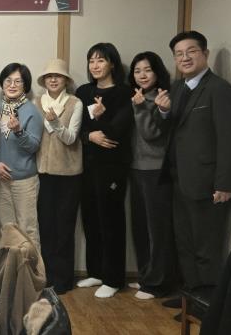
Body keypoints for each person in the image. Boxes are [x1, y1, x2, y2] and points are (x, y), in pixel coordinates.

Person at [158, 31, 231, 297]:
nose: (185, 58)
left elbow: (229, 140)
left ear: (205, 54)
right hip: (179, 178)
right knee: (185, 243)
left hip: (207, 183)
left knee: (206, 246)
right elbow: (170, 130)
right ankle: (189, 298)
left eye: (191, 51)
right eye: (179, 54)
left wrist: (224, 184)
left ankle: (206, 304)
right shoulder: (176, 88)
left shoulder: (220, 90)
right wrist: (163, 112)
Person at [75, 43, 133, 298]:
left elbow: (119, 130)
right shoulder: (84, 91)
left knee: (111, 220)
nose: (95, 65)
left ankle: (114, 278)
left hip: (113, 166)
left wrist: (100, 119)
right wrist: (90, 136)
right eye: (91, 61)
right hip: (86, 164)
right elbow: (77, 128)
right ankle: (96, 272)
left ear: (112, 63)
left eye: (101, 60)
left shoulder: (124, 92)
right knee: (90, 218)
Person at [127, 51, 175, 300]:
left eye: (147, 70)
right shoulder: (138, 96)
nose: (142, 75)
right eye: (137, 71)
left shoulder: (161, 98)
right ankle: (146, 275)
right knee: (141, 226)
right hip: (136, 168)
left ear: (157, 72)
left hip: (155, 170)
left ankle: (158, 283)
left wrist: (139, 108)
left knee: (157, 229)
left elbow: (151, 134)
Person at [35, 59, 83, 295]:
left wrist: (55, 122)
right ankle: (48, 276)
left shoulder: (74, 103)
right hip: (42, 172)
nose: (53, 80)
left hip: (68, 174)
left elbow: (71, 138)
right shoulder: (36, 103)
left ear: (66, 80)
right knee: (46, 227)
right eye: (49, 76)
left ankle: (63, 279)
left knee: (64, 227)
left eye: (58, 76)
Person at [0, 63, 42, 246]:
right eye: (8, 80)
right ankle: (10, 266)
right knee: (7, 231)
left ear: (25, 85)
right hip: (0, 179)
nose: (12, 85)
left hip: (24, 181)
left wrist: (19, 131)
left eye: (18, 81)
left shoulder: (31, 110)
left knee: (27, 230)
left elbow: (34, 146)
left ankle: (31, 266)